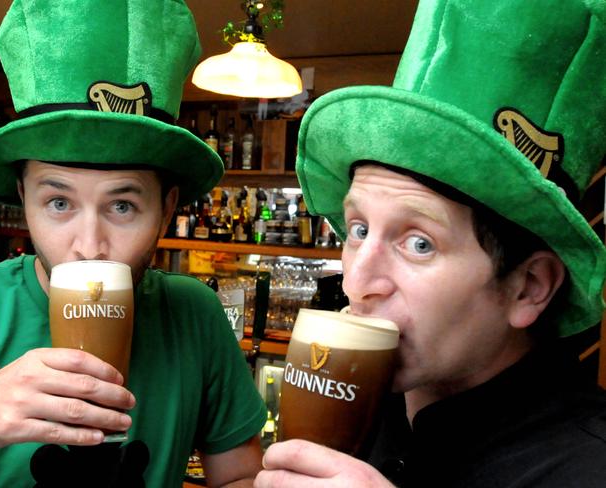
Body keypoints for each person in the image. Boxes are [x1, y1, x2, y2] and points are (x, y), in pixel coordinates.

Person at [254, 0, 606, 486]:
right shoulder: (358, 405)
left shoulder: (585, 468)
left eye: (419, 244)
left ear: (528, 287)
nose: (357, 283)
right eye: (358, 230)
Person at [0, 0, 266, 486]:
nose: (88, 246)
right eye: (59, 203)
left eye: (122, 206)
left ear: (166, 209)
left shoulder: (195, 314)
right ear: (24, 198)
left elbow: (238, 476)